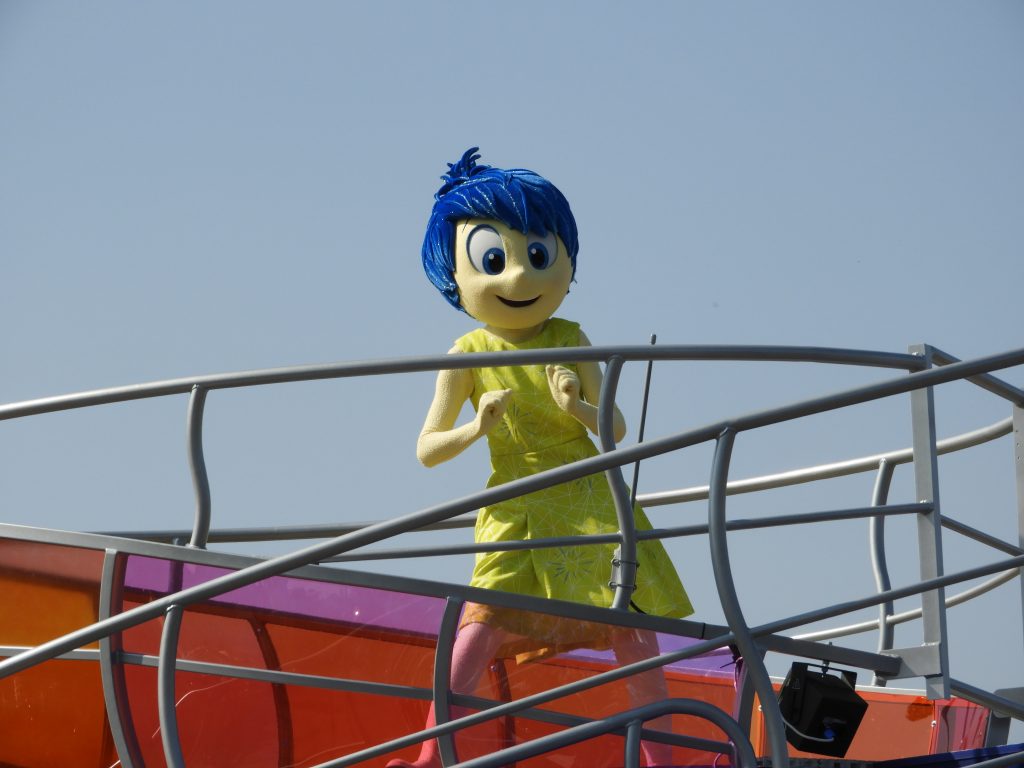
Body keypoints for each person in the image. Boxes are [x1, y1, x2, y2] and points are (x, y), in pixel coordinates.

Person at [388, 148, 693, 768]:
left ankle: (662, 760)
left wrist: (576, 406)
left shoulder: (570, 339)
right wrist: (478, 427)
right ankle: (429, 757)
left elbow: (615, 428)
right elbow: (426, 449)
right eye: (493, 260)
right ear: (453, 272)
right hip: (515, 503)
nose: (518, 277)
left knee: (630, 626)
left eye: (537, 255)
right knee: (478, 624)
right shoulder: (467, 354)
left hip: (586, 496)